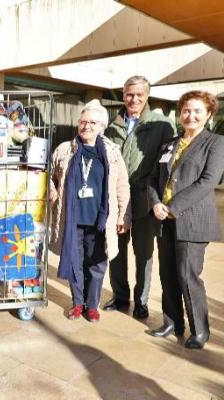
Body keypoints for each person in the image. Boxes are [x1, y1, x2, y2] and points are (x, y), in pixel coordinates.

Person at [147, 91, 224, 349]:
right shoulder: (169, 143)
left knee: (188, 276)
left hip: (192, 221)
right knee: (167, 273)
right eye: (186, 111)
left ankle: (200, 330)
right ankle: (172, 322)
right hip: (164, 219)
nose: (190, 115)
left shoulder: (216, 143)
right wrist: (156, 202)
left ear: (209, 115)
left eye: (197, 111)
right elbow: (152, 178)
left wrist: (171, 207)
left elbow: (207, 182)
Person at [49, 100, 131, 322]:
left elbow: (122, 185)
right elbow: (50, 176)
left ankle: (92, 305)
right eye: (83, 121)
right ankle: (77, 303)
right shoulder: (65, 150)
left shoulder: (112, 152)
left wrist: (124, 214)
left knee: (96, 264)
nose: (87, 126)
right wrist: (52, 189)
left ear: (102, 126)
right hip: (72, 218)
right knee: (75, 261)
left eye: (93, 122)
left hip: (100, 220)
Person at [102, 76, 176, 319]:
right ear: (123, 95)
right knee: (117, 249)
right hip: (118, 200)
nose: (133, 99)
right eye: (129, 94)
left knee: (143, 253)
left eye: (138, 94)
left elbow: (165, 163)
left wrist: (157, 195)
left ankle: (141, 300)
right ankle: (120, 295)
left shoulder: (162, 125)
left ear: (147, 96)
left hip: (145, 198)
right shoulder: (112, 124)